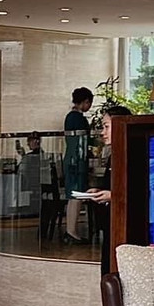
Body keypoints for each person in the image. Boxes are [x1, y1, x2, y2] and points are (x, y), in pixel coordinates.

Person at [85, 105, 132, 274]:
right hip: (111, 224)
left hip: (126, 227)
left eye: (106, 127)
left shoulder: (132, 153)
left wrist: (113, 196)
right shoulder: (114, 155)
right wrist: (100, 191)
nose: (102, 133)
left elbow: (138, 191)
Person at [62, 86, 93, 245]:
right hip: (77, 161)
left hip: (70, 159)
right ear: (85, 101)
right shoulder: (78, 119)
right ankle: (72, 232)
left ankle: (71, 231)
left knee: (72, 196)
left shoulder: (69, 117)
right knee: (77, 195)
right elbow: (84, 141)